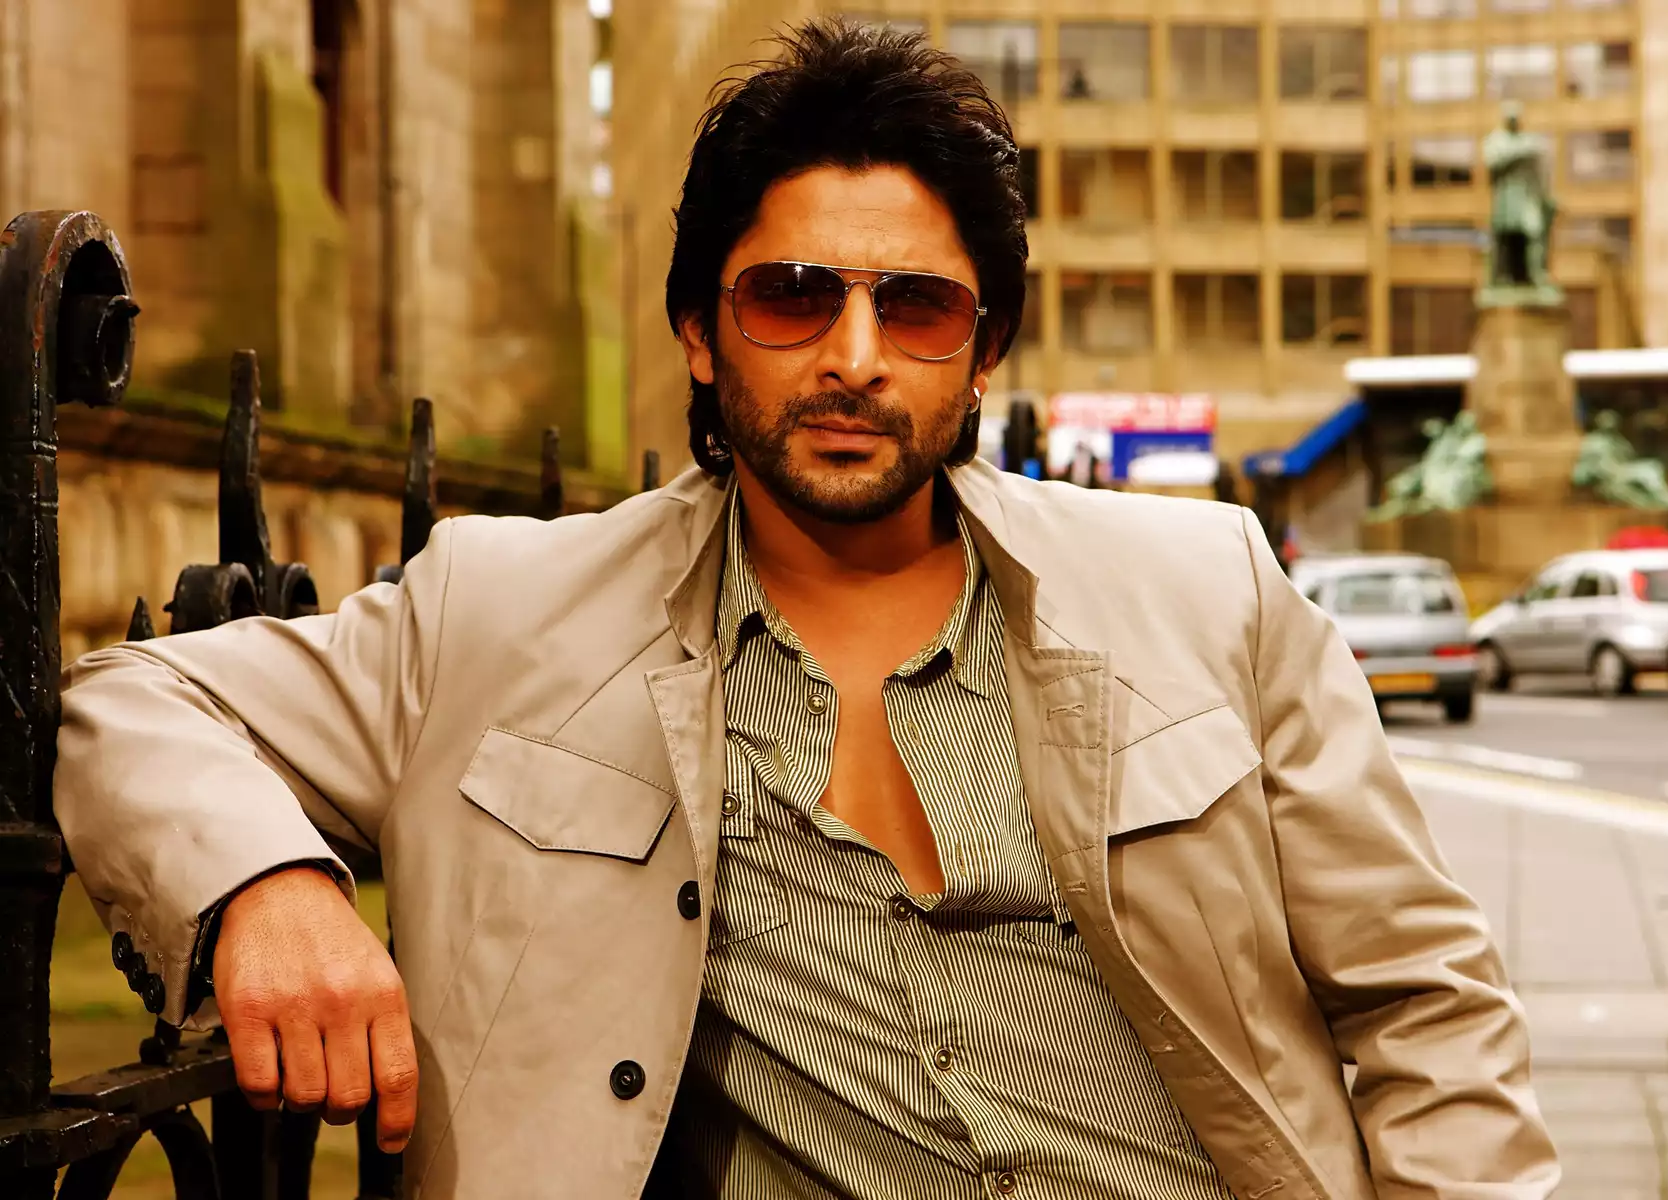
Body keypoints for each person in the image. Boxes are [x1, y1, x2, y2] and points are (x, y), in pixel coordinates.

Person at [54, 19, 1557, 1200]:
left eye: (917, 307)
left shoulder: (1206, 588)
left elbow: (1425, 1002)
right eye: (791, 296)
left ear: (982, 353)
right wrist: (267, 886)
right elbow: (131, 697)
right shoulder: (500, 613)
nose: (854, 357)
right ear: (700, 335)